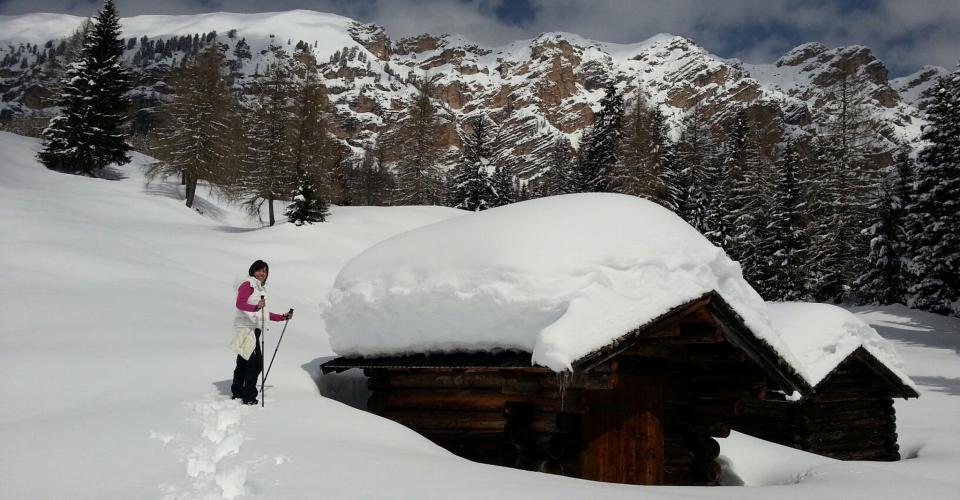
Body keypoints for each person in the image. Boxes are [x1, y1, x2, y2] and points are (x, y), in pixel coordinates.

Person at [230, 260, 293, 405]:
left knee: (244, 362)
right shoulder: (248, 284)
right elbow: (240, 303)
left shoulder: (259, 289)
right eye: (259, 270)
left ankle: (238, 392)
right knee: (256, 364)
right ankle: (249, 396)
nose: (261, 273)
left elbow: (263, 313)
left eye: (264, 271)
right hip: (247, 329)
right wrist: (256, 307)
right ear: (253, 271)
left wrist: (282, 317)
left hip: (249, 329)